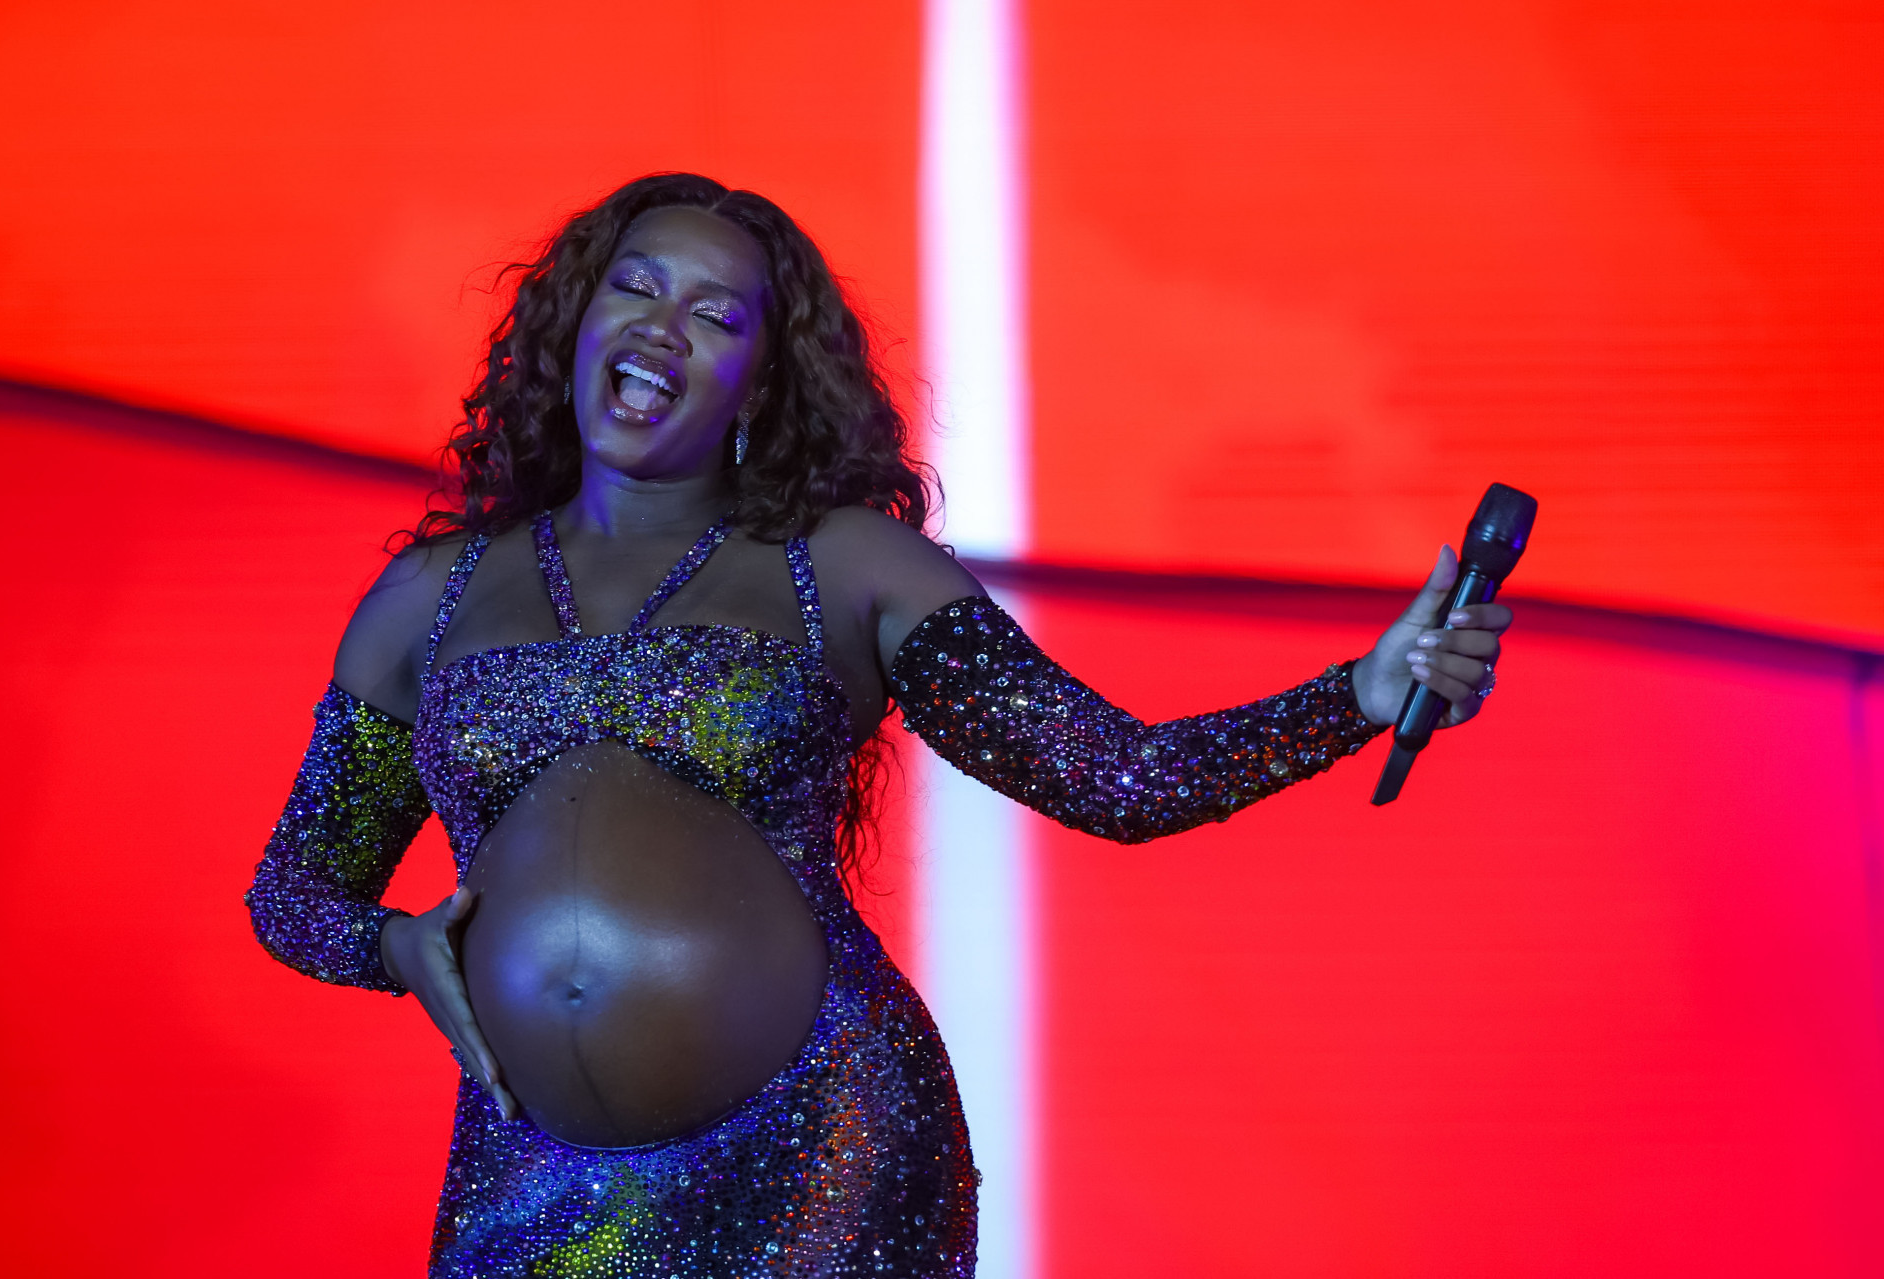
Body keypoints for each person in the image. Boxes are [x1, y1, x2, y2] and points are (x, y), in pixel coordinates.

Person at [247, 172, 1510, 1277]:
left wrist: (1358, 696)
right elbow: (293, 890)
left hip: (821, 1152)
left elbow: (1117, 777)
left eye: (717, 316)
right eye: (637, 287)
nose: (663, 328)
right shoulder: (430, 596)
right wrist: (396, 948)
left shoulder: (841, 565)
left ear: (758, 384)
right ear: (576, 323)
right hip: (531, 1179)